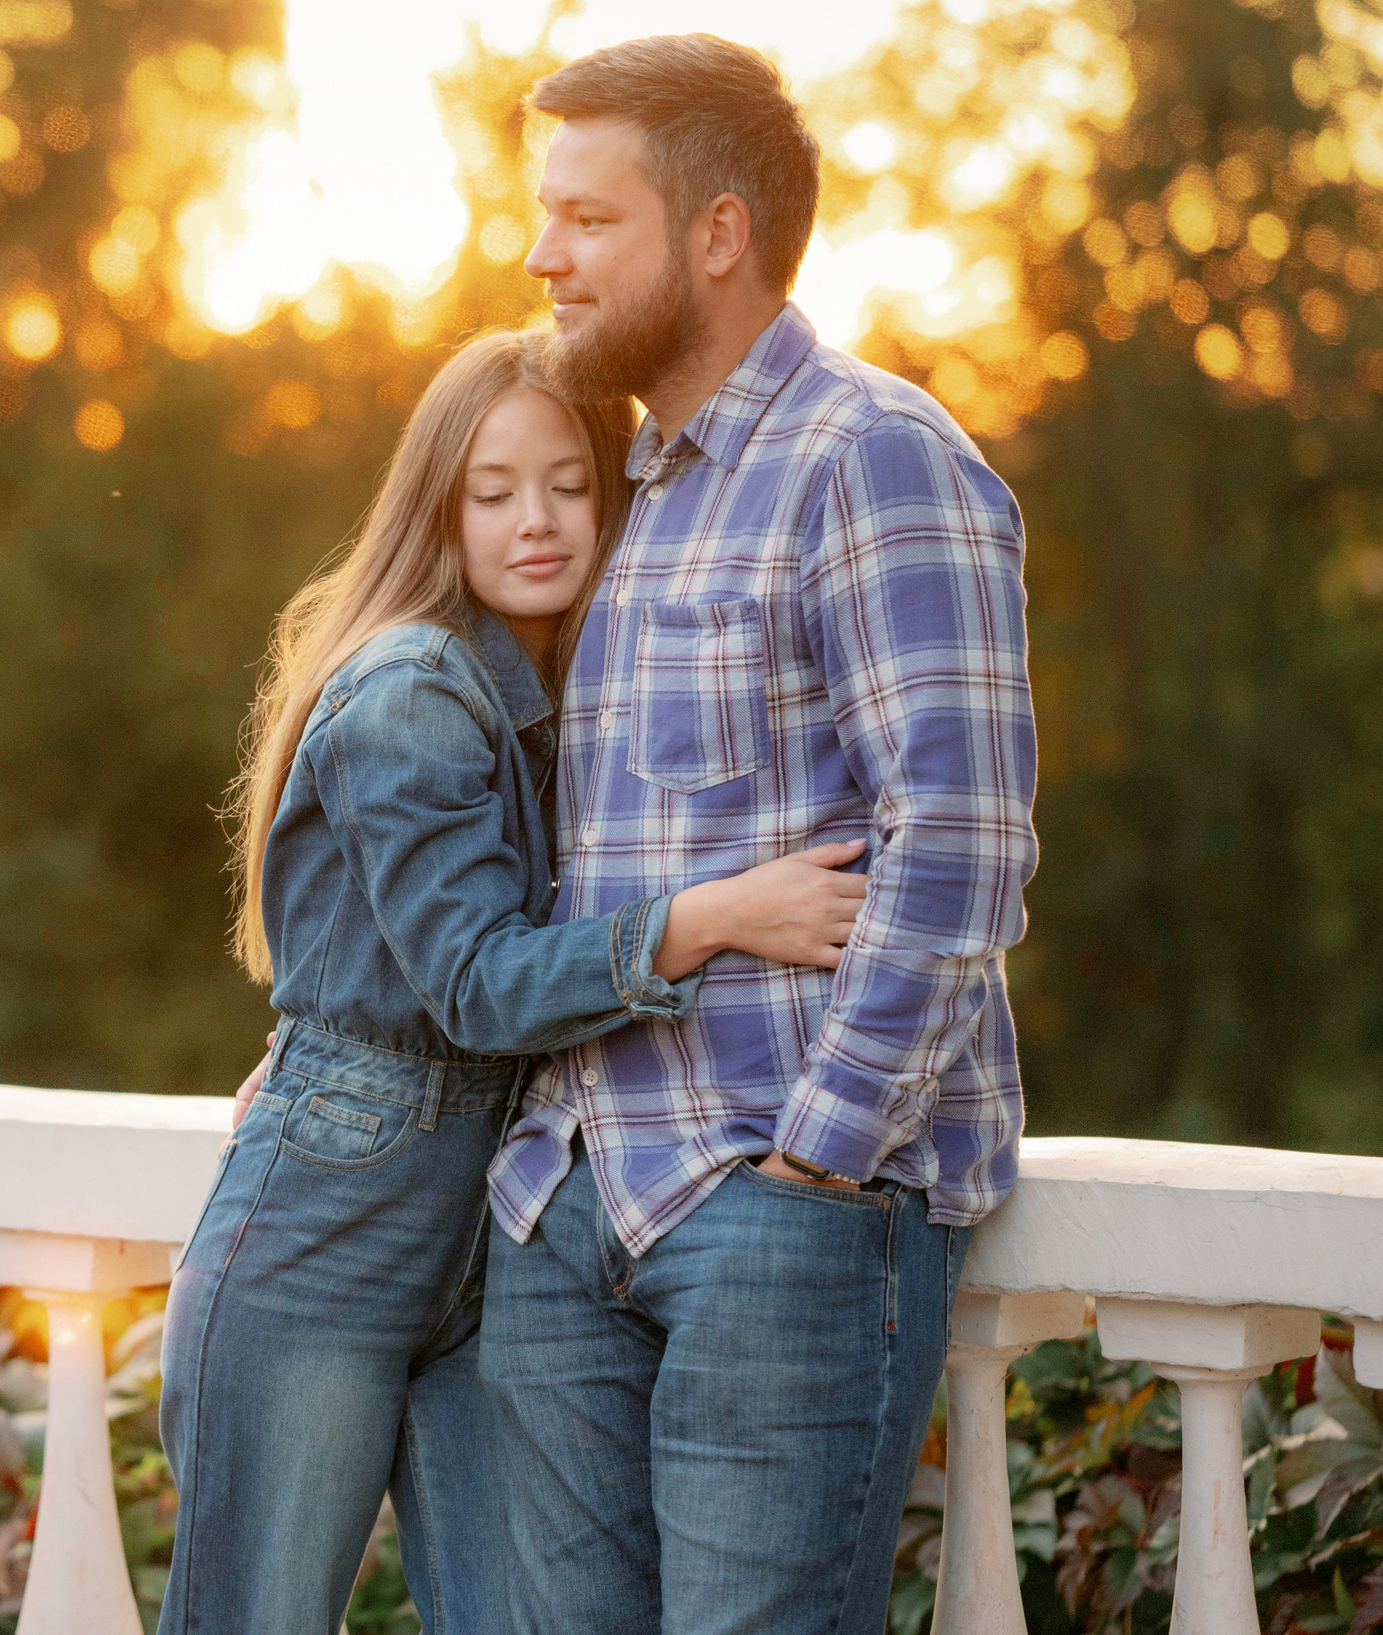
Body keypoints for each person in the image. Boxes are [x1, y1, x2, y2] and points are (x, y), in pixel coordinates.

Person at [157, 328, 877, 1635]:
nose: (536, 522)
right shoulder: (415, 689)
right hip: (326, 1241)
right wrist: (718, 917)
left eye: (568, 485)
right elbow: (480, 988)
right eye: (492, 493)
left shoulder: (549, 701)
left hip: (483, 1246)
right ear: (439, 509)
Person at [477, 34, 1040, 1635]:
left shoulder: (876, 460)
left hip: (772, 1206)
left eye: (588, 218)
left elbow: (963, 843)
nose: (542, 255)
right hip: (569, 1193)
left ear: (716, 233)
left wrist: (819, 1163)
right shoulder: (631, 485)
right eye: (545, 213)